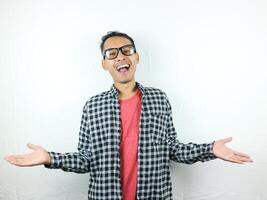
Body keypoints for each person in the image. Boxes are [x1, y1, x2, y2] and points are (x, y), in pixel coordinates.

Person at [4, 31, 253, 200]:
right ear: (104, 63)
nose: (120, 56)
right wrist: (49, 158)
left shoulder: (159, 99)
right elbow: (85, 159)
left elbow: (173, 149)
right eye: (111, 53)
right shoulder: (93, 106)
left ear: (136, 57)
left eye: (126, 50)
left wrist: (211, 149)